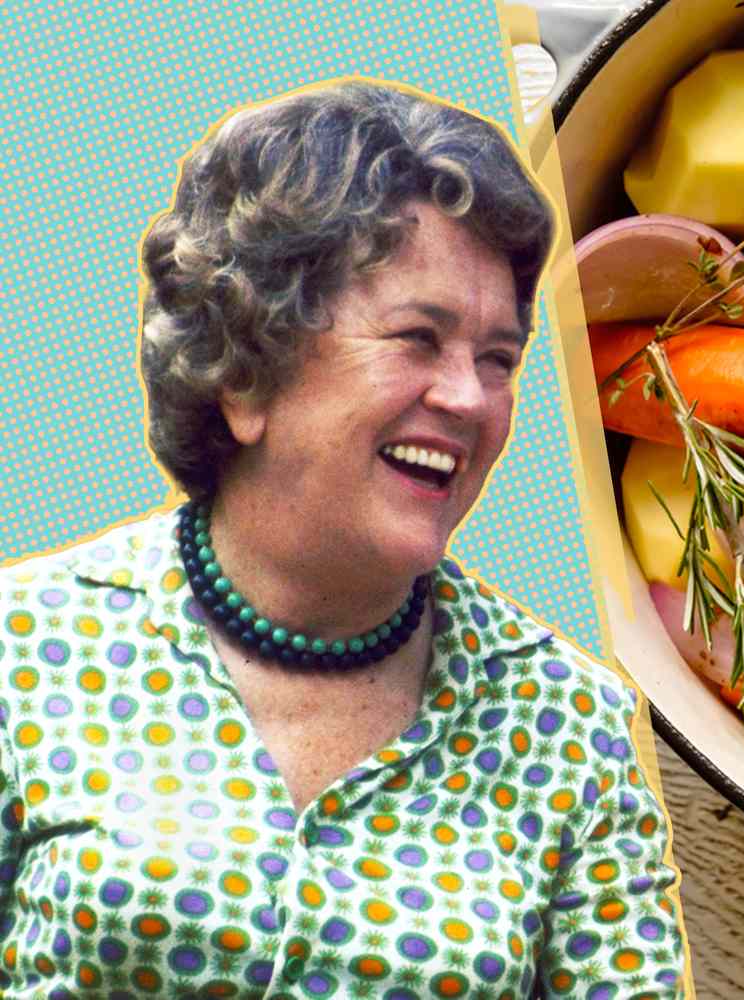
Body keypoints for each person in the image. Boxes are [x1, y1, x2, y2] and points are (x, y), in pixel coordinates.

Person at [0, 81, 687, 1000]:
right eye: (417, 337)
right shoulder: (25, 650)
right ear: (246, 370)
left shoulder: (572, 730)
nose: (472, 399)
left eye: (498, 358)